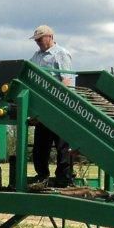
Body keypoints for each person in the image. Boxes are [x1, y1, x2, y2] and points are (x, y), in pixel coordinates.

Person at [29, 24, 75, 187]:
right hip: (43, 108)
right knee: (41, 145)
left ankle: (64, 178)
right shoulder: (36, 56)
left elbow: (67, 80)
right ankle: (42, 176)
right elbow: (31, 77)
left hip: (58, 106)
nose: (38, 42)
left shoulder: (61, 54)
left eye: (40, 39)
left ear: (50, 36)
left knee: (62, 145)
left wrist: (62, 105)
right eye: (36, 40)